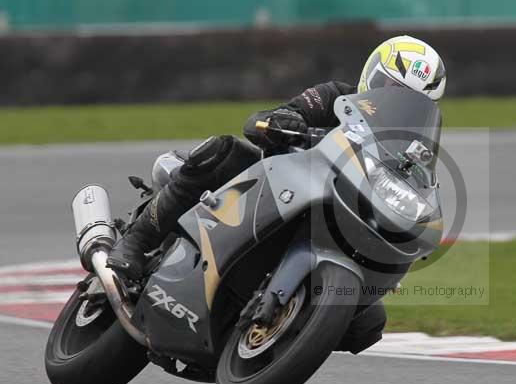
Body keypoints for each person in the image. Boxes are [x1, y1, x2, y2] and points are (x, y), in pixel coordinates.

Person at [106, 35, 447, 281]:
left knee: (367, 325)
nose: (394, 102)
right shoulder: (335, 96)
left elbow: (418, 188)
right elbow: (269, 118)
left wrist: (419, 221)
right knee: (221, 152)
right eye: (390, 87)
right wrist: (285, 122)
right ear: (371, 76)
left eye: (410, 101)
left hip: (335, 217)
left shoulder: (408, 151)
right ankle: (136, 242)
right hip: (278, 182)